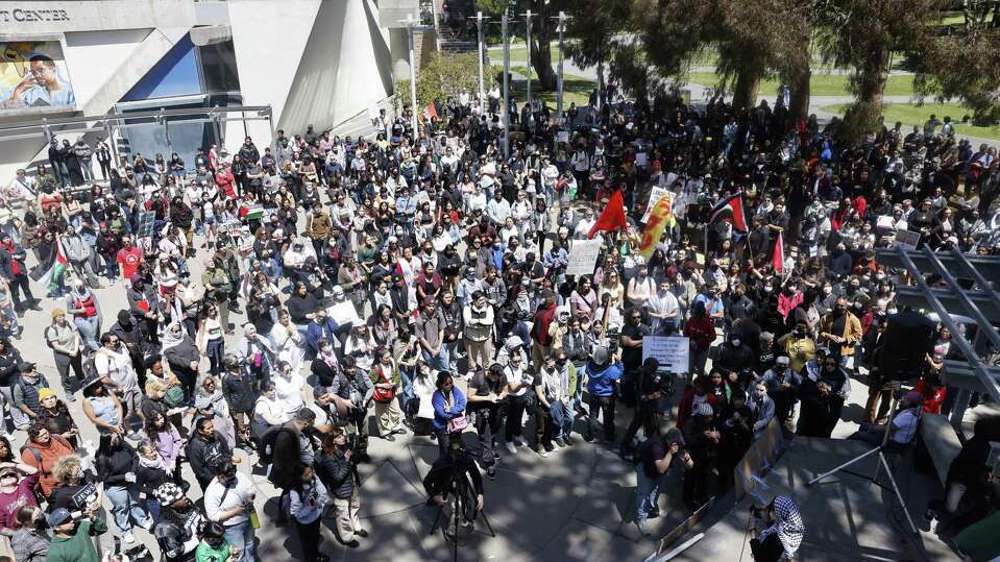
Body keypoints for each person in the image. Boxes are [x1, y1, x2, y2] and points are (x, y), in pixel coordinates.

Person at [422, 432, 486, 541]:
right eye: (454, 456)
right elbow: (427, 482)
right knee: (458, 508)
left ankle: (460, 512)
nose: (457, 459)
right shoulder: (441, 463)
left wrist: (480, 494)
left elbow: (476, 476)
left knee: (466, 508)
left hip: (460, 486)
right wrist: (434, 496)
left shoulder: (466, 459)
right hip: (443, 489)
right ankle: (451, 531)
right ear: (450, 453)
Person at [94, 432, 152, 544]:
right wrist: (124, 476)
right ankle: (125, 530)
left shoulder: (123, 444)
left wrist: (132, 472)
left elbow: (135, 457)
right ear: (108, 442)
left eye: (117, 436)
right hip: (115, 487)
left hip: (131, 480)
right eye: (114, 438)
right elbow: (105, 479)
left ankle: (141, 519)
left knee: (135, 502)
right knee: (122, 508)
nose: (118, 438)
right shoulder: (102, 458)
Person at [314, 427, 365, 548]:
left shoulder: (344, 447)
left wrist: (355, 455)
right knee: (343, 515)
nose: (343, 437)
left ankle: (356, 527)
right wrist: (347, 461)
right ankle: (346, 537)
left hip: (350, 484)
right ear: (332, 441)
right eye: (339, 436)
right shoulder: (328, 457)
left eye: (342, 435)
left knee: (354, 506)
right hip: (340, 489)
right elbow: (337, 476)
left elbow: (352, 463)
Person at [634, 428, 691, 536]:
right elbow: (661, 468)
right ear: (670, 442)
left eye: (679, 444)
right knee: (643, 493)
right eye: (676, 444)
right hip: (646, 468)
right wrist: (670, 453)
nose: (678, 447)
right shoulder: (657, 447)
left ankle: (651, 507)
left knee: (656, 490)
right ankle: (641, 518)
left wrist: (687, 459)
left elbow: (690, 465)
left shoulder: (677, 446)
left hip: (659, 471)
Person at [203, 461, 257, 562]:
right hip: (232, 528)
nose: (233, 481)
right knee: (238, 552)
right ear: (220, 476)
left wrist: (250, 497)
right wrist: (236, 511)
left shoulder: (238, 475)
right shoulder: (211, 491)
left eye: (233, 477)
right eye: (230, 479)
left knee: (250, 544)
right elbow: (213, 516)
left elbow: (251, 488)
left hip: (248, 518)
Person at [153, 482, 206, 562]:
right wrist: (197, 540)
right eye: (179, 498)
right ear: (171, 504)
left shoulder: (186, 504)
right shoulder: (164, 528)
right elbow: (173, 553)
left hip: (204, 548)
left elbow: (198, 514)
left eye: (183, 494)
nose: (185, 497)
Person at [287, 464, 329, 562]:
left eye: (311, 471)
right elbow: (296, 513)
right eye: (307, 474)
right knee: (308, 543)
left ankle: (316, 554)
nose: (311, 475)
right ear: (299, 477)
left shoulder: (314, 478)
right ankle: (311, 558)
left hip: (316, 516)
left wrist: (314, 499)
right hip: (306, 523)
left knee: (315, 538)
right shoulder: (295, 492)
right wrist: (311, 505)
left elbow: (322, 491)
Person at [585, 346, 623, 443]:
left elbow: (587, 371)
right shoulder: (611, 370)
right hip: (607, 397)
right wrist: (619, 362)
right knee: (608, 418)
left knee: (593, 415)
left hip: (593, 394)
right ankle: (609, 437)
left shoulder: (589, 365)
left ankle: (591, 436)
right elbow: (620, 374)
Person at [45, 309, 84, 401]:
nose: (61, 318)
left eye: (62, 315)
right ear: (55, 318)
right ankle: (68, 391)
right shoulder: (52, 330)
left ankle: (83, 383)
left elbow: (76, 336)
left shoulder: (69, 324)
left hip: (74, 351)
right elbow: (56, 346)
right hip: (62, 355)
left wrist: (75, 349)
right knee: (64, 374)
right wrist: (69, 352)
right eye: (59, 316)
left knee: (78, 368)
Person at [750, 495, 805, 562]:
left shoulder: (778, 540)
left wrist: (752, 524)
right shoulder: (792, 532)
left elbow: (759, 554)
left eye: (768, 510)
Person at [431, 371, 467, 458]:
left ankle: (455, 462)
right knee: (445, 449)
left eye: (451, 383)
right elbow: (441, 413)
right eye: (446, 384)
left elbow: (462, 404)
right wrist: (454, 412)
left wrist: (450, 409)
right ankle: (444, 467)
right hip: (443, 427)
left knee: (456, 445)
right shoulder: (436, 395)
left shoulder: (455, 390)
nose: (450, 385)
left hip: (456, 425)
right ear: (440, 385)